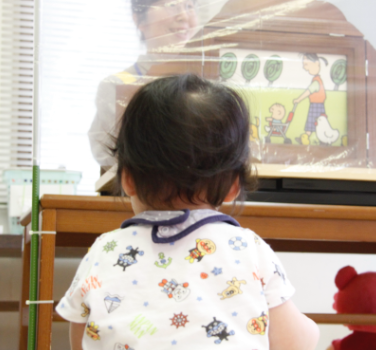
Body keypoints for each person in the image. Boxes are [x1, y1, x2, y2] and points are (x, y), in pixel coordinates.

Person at [57, 75, 320, 350]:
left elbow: (82, 340)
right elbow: (294, 343)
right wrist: (310, 330)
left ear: (127, 179)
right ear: (233, 186)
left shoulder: (104, 250)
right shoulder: (249, 248)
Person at [88, 0, 199, 167]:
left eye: (189, 5)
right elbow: (106, 153)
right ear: (139, 19)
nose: (184, 15)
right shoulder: (117, 86)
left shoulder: (209, 85)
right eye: (171, 4)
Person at [294, 53, 328, 145]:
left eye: (306, 64)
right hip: (315, 104)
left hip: (317, 105)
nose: (305, 68)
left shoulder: (316, 81)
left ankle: (323, 139)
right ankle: (306, 137)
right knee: (312, 122)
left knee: (318, 123)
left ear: (316, 63)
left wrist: (298, 99)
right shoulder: (316, 80)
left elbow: (308, 91)